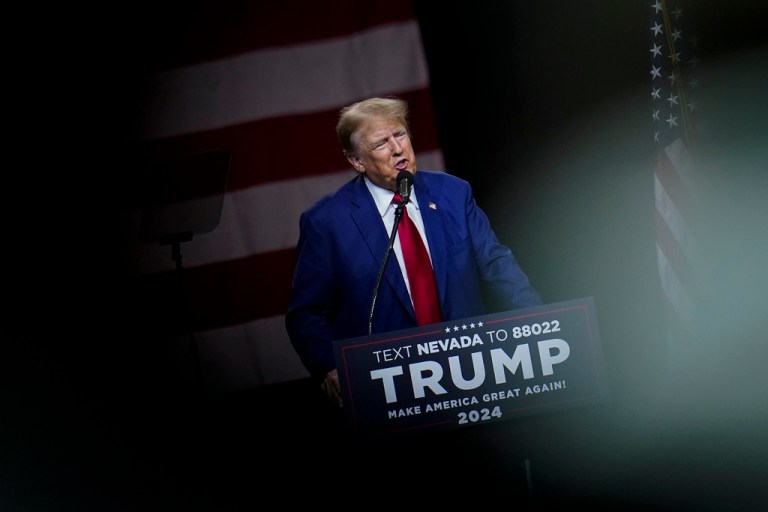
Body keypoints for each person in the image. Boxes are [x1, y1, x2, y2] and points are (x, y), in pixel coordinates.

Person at [285, 96, 542, 408]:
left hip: (472, 370)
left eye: (400, 134)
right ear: (357, 161)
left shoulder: (453, 193)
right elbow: (307, 313)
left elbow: (498, 266)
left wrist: (536, 322)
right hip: (387, 385)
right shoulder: (327, 221)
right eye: (381, 143)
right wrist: (328, 365)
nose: (397, 149)